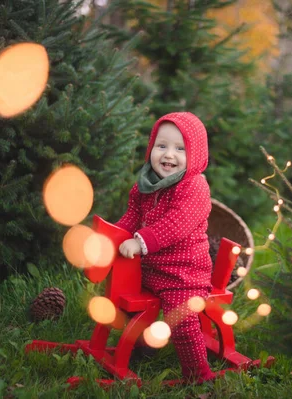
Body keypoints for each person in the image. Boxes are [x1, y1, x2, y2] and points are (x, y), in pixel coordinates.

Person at [115, 112, 215, 383]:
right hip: (151, 269)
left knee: (180, 319)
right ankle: (143, 346)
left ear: (195, 154)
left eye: (180, 149)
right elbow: (132, 215)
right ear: (151, 148)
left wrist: (139, 241)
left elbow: (177, 223)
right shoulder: (145, 184)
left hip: (184, 274)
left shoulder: (194, 187)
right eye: (162, 146)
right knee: (127, 304)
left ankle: (198, 374)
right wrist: (115, 236)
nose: (169, 155)